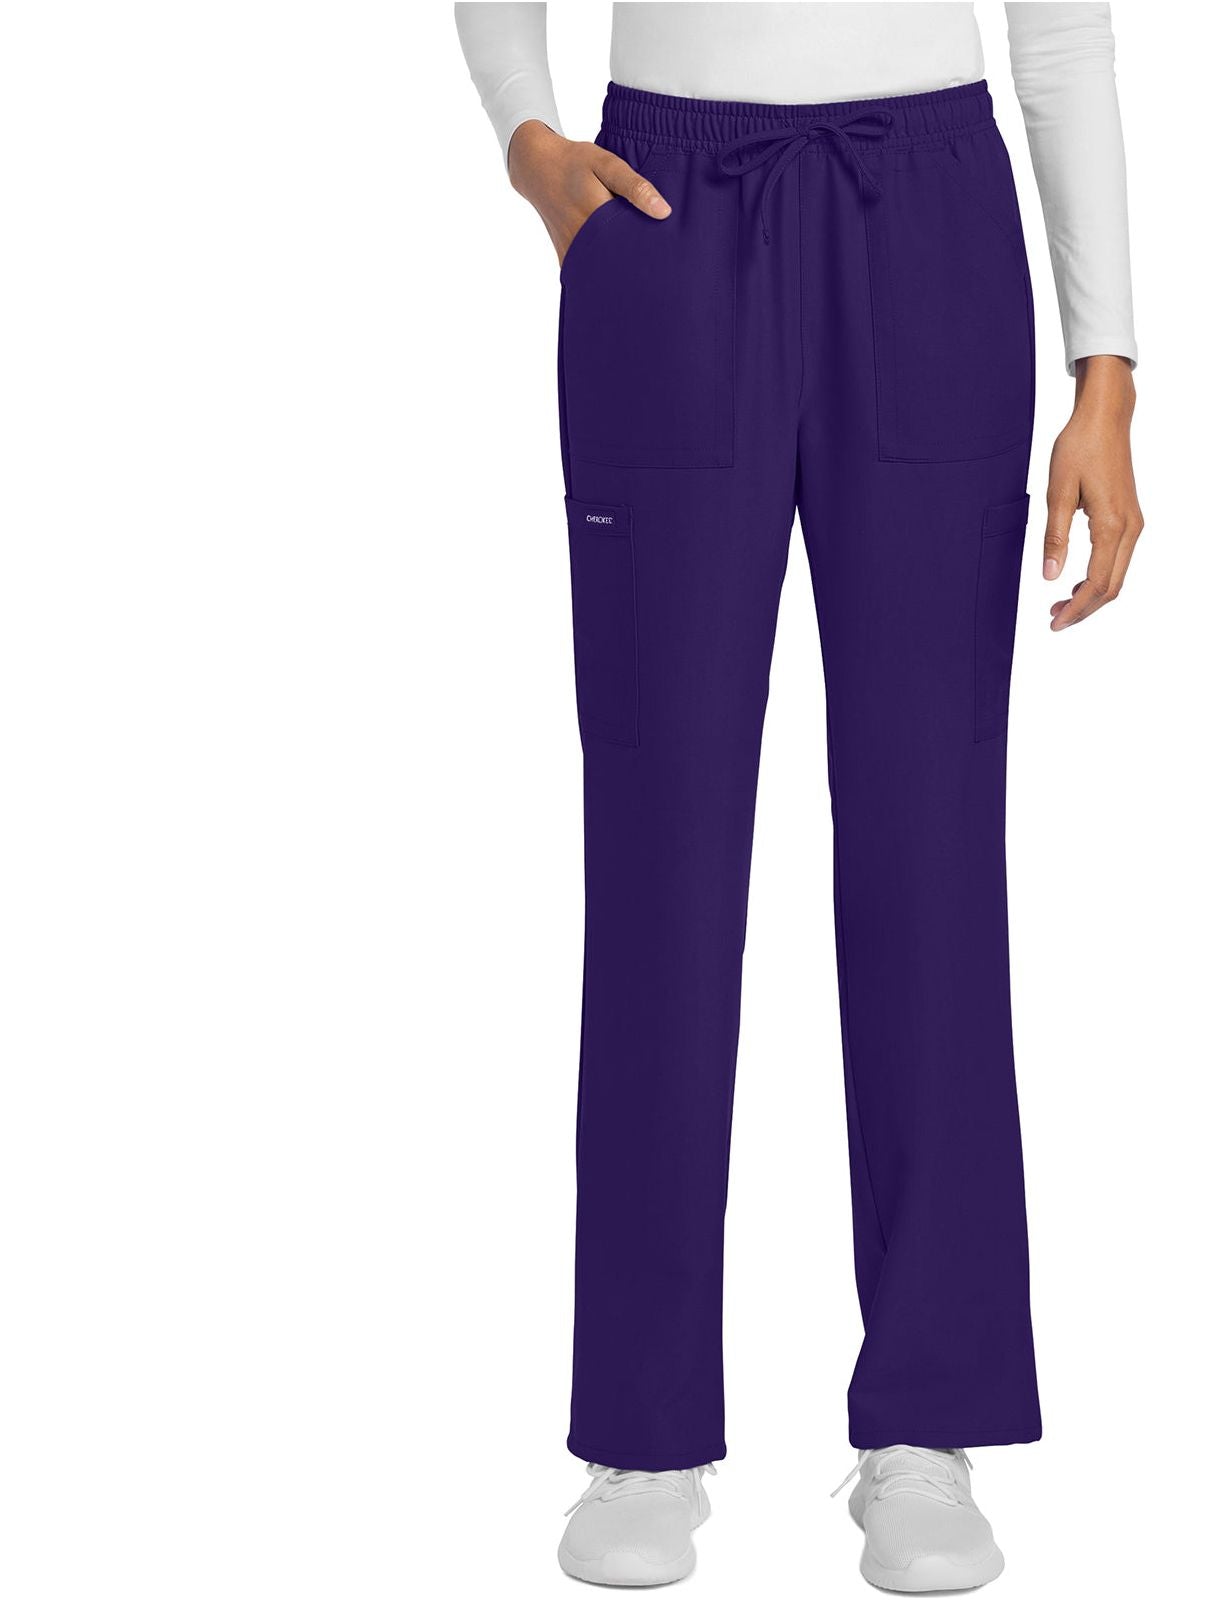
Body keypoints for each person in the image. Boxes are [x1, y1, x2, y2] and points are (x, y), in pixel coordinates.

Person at [455, 1, 1141, 1588]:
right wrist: (527, 137)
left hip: (933, 215)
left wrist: (1104, 370)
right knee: (660, 842)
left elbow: (1061, 35)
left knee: (931, 842)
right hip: (662, 211)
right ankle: (640, 1431)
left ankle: (930, 1424)